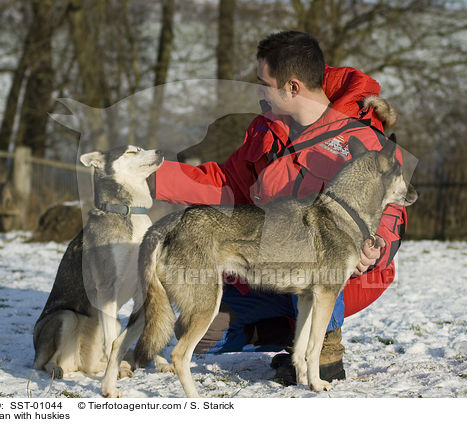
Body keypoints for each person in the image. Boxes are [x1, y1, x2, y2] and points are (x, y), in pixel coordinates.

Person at [146, 30, 407, 384]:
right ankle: (291, 333)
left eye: (263, 82)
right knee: (201, 332)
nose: (257, 91)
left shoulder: (360, 138)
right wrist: (151, 177)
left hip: (344, 277)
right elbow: (224, 184)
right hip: (274, 263)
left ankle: (323, 341)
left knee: (327, 270)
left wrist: (376, 248)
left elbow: (393, 211)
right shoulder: (266, 130)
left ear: (293, 87)